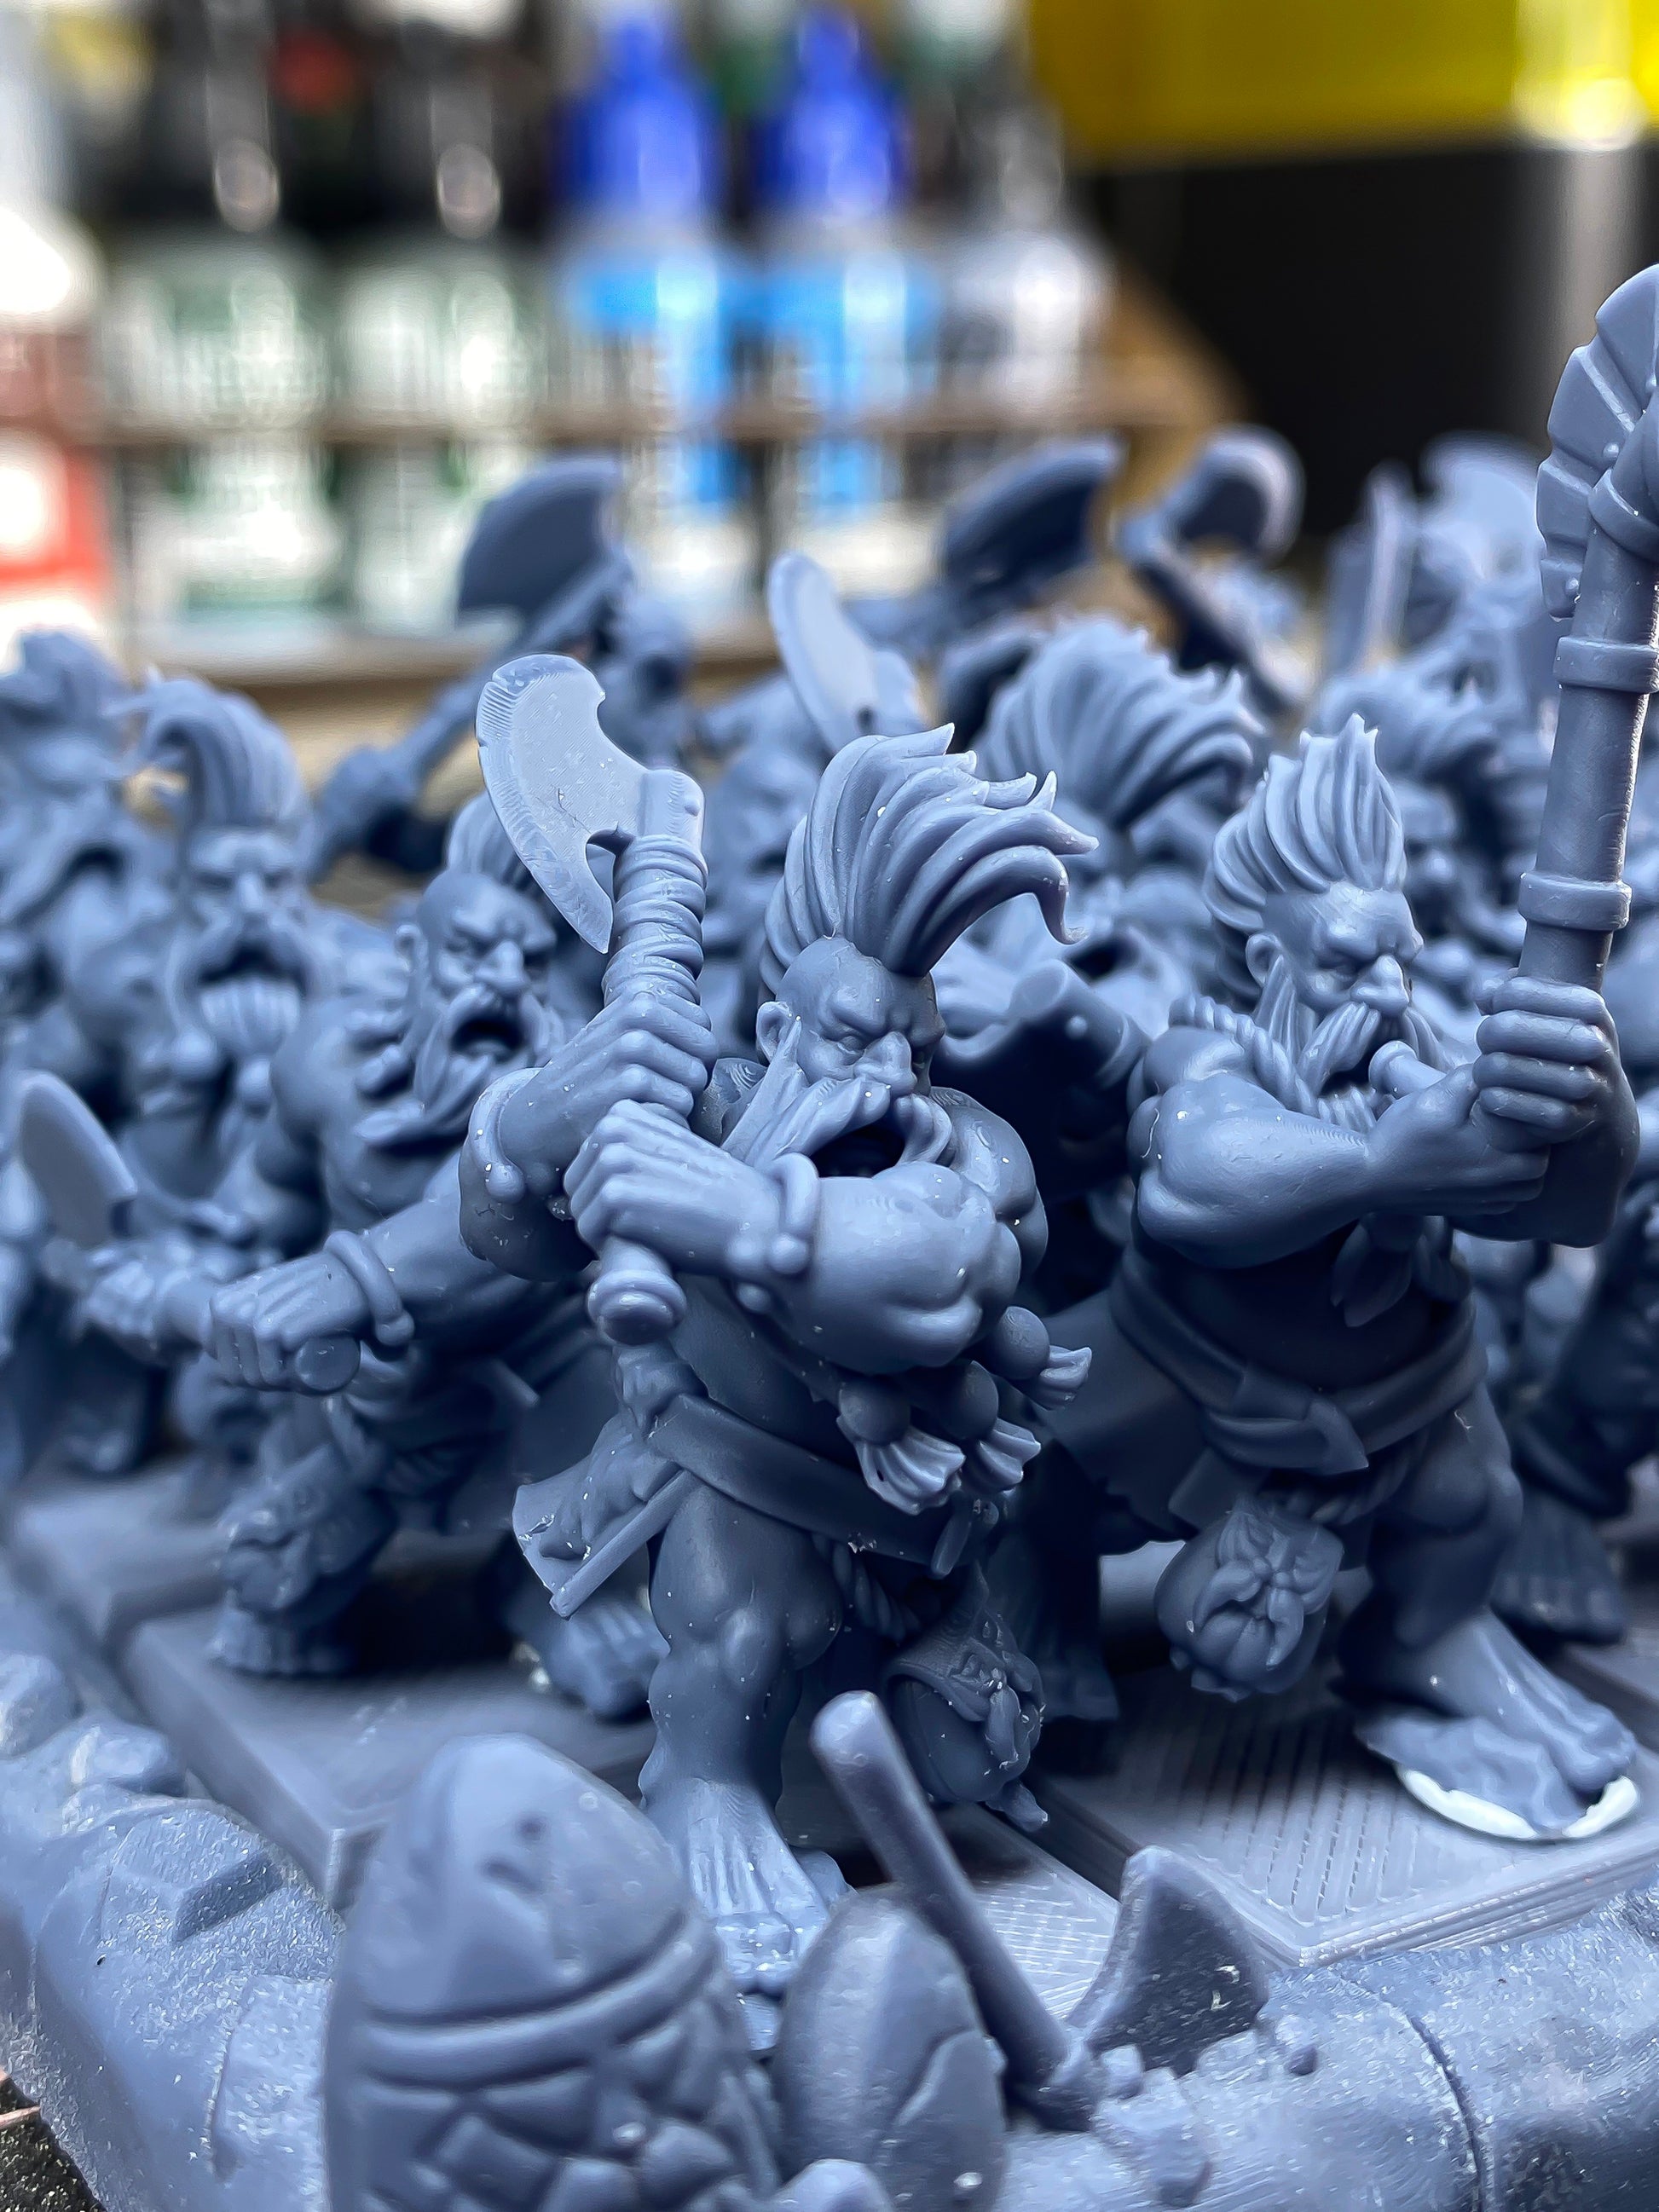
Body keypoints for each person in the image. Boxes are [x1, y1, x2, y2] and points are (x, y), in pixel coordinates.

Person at [1044, 719, 1639, 1843]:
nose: (1384, 989)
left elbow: (1566, 1211)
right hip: (1192, 1389)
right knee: (1045, 1475)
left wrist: (1590, 1101)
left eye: (1397, 958)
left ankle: (1421, 1644)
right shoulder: (1203, 1052)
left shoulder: (1425, 1058)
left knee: (1474, 1509)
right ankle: (1038, 1625)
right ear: (1266, 964)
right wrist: (1381, 1166)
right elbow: (1194, 1177)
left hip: (1404, 1401)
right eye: (1346, 963)